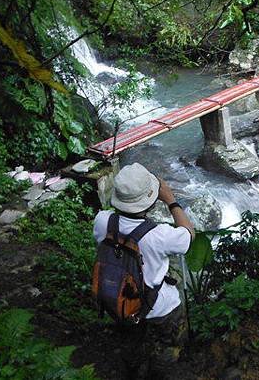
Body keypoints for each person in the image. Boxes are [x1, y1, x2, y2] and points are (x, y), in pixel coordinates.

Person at [93, 162, 195, 380]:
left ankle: (135, 368)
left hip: (123, 302)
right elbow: (189, 234)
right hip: (161, 309)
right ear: (149, 199)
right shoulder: (160, 235)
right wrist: (171, 200)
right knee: (168, 350)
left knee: (133, 345)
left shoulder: (102, 221)